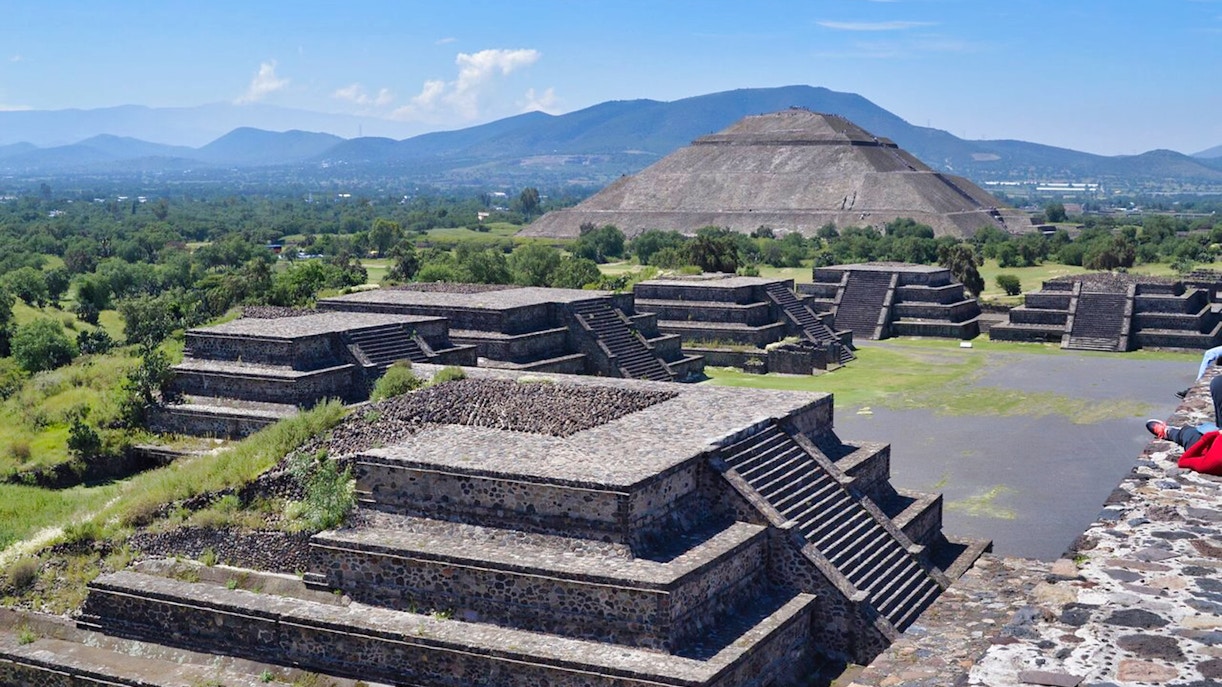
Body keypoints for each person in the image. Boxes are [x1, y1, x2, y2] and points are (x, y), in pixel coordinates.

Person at [1145, 418, 1222, 476]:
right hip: (1211, 444)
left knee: (1189, 433)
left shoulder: (1210, 463)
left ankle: (1168, 432)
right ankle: (1171, 432)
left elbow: (1183, 461)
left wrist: (1208, 437)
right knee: (1195, 432)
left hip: (1203, 445)